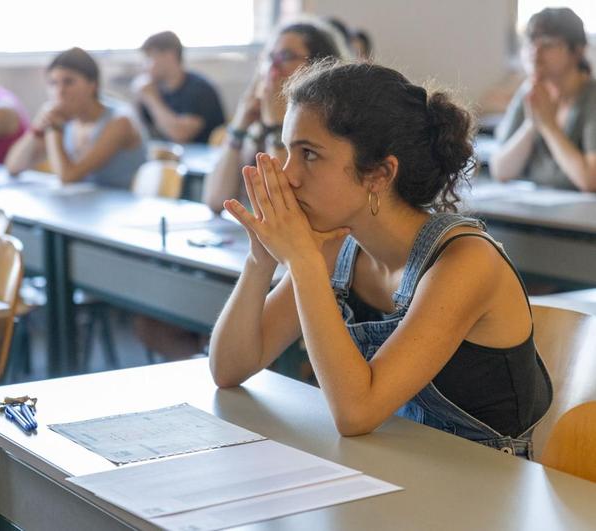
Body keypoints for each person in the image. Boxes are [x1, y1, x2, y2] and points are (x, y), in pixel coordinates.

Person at [209, 59, 552, 458]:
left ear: (379, 174)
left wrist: (303, 265)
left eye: (310, 155)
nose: (288, 175)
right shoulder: (338, 244)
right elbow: (229, 369)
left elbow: (356, 413)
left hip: (487, 487)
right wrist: (260, 260)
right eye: (287, 151)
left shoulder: (465, 262)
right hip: (394, 465)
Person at [202, 18, 347, 213]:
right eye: (269, 58)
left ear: (318, 65)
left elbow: (284, 208)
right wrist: (239, 125)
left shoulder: (329, 127)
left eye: (286, 57)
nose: (273, 69)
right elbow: (216, 200)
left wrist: (276, 126)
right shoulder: (257, 125)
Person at [5, 47, 146, 187]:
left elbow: (68, 177)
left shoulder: (120, 121)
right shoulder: (66, 118)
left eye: (69, 82)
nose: (59, 91)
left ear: (92, 85)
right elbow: (13, 167)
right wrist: (37, 128)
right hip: (86, 204)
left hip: (122, 204)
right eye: (53, 83)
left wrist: (54, 128)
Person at [491, 7, 596, 191]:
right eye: (530, 42)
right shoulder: (529, 91)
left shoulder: (590, 97)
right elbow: (500, 170)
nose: (535, 51)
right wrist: (532, 125)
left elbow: (590, 181)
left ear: (577, 51)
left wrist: (548, 125)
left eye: (548, 44)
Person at [133, 31, 225, 145]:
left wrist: (151, 98)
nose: (144, 66)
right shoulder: (155, 88)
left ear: (169, 56)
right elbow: (143, 133)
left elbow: (181, 135)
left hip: (205, 156)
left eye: (150, 58)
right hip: (174, 157)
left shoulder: (200, 89)